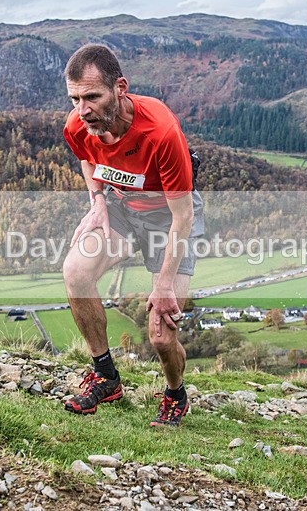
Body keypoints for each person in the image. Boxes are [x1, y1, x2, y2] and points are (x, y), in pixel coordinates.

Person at [61, 44, 204, 427]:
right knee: (75, 272)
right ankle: (106, 376)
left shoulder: (160, 131)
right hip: (121, 208)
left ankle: (175, 393)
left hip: (167, 219)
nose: (82, 109)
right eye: (75, 98)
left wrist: (163, 285)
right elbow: (86, 155)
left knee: (161, 332)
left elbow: (183, 216)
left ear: (120, 87)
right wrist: (97, 200)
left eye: (92, 96)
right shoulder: (78, 124)